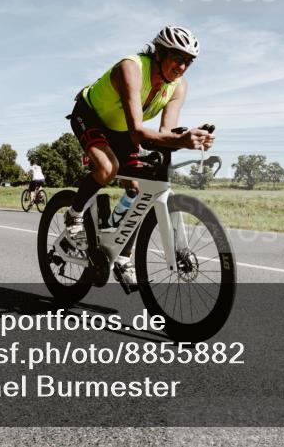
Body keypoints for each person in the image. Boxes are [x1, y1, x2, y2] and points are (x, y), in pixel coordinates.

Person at [65, 25, 214, 288]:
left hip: (122, 130)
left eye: (188, 62)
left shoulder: (178, 87)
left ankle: (121, 255)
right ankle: (74, 214)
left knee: (138, 189)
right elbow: (138, 132)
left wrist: (189, 137)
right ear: (159, 53)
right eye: (177, 58)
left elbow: (165, 133)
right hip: (90, 116)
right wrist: (179, 139)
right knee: (107, 167)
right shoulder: (131, 68)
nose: (182, 67)